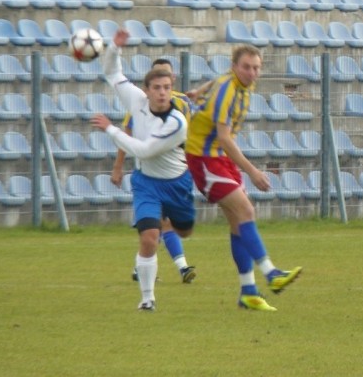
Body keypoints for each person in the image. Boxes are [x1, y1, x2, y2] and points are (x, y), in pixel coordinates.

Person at [185, 44, 302, 311]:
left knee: (239, 222)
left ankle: (248, 292)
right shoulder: (228, 90)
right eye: (247, 67)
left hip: (218, 157)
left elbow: (217, 79)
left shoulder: (238, 82)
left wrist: (199, 90)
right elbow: (225, 138)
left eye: (256, 67)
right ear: (235, 67)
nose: (252, 72)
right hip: (204, 158)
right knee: (246, 210)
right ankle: (271, 274)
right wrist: (253, 171)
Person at [91, 29, 196, 311]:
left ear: (171, 87)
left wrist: (110, 129)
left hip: (177, 183)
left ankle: (175, 241)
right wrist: (113, 47)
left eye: (166, 87)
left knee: (184, 231)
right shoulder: (136, 101)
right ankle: (147, 298)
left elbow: (145, 149)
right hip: (146, 183)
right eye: (156, 88)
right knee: (149, 237)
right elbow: (113, 74)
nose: (162, 93)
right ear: (146, 90)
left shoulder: (177, 122)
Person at [113, 57, 202, 285]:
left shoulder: (182, 105)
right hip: (150, 175)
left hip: (177, 174)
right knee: (158, 223)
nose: (161, 89)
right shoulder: (141, 104)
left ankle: (142, 266)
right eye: (156, 81)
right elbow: (129, 132)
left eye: (167, 80)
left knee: (164, 225)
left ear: (172, 80)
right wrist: (118, 166)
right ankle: (181, 267)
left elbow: (193, 137)